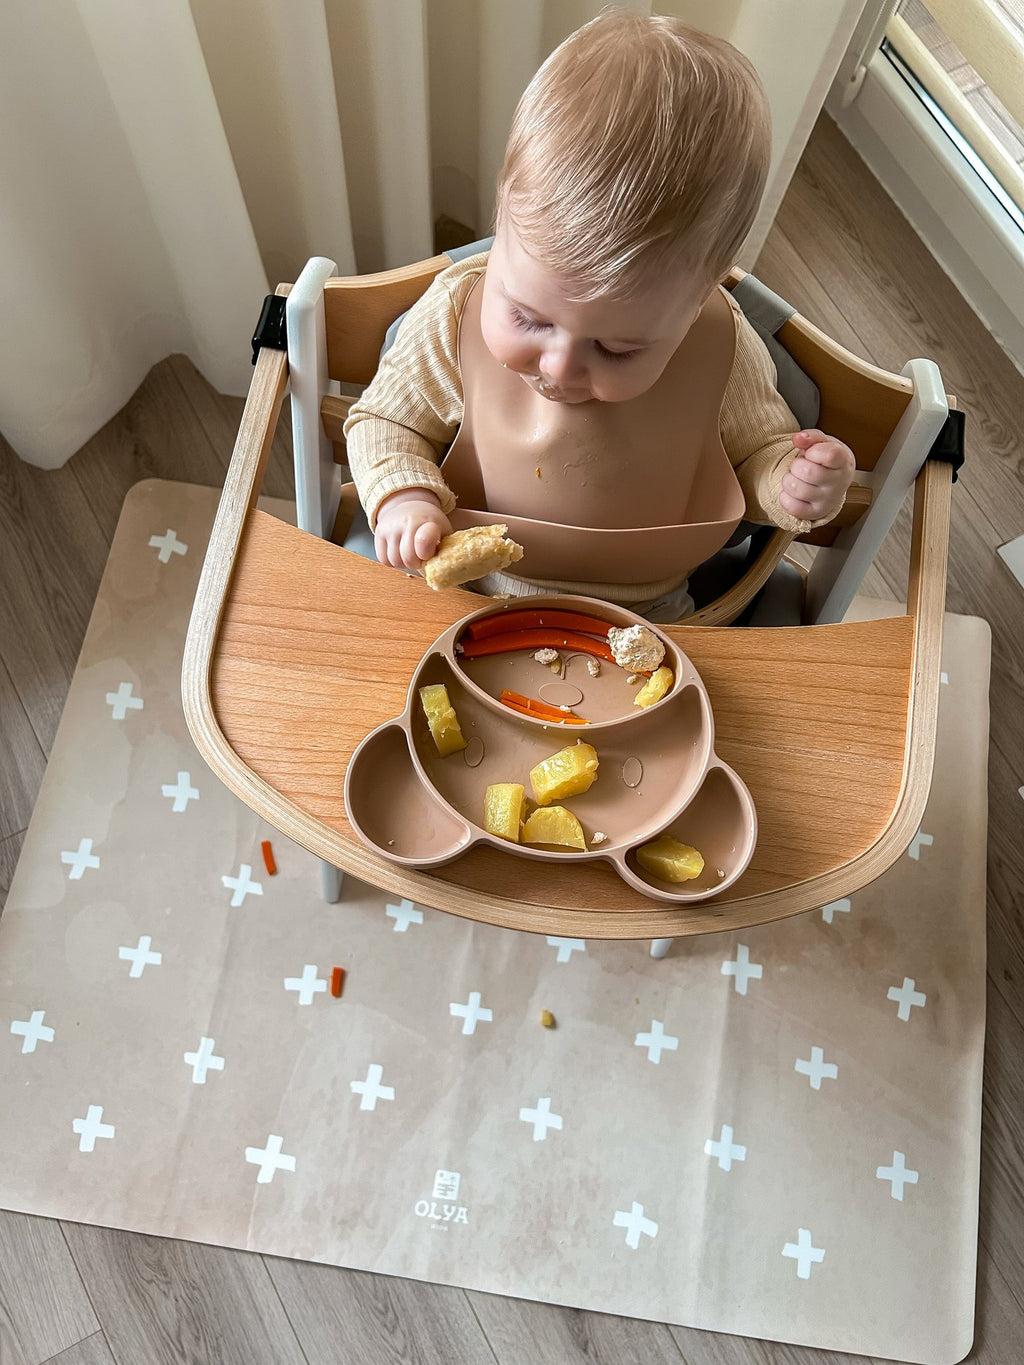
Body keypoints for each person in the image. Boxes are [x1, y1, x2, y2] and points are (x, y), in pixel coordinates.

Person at [343, 8, 855, 621]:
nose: (559, 368)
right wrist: (404, 497)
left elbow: (753, 459)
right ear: (499, 226)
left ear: (696, 304)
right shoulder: (454, 317)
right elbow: (383, 422)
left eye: (616, 350)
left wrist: (793, 485)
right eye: (528, 319)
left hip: (654, 616)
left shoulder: (722, 349)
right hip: (465, 600)